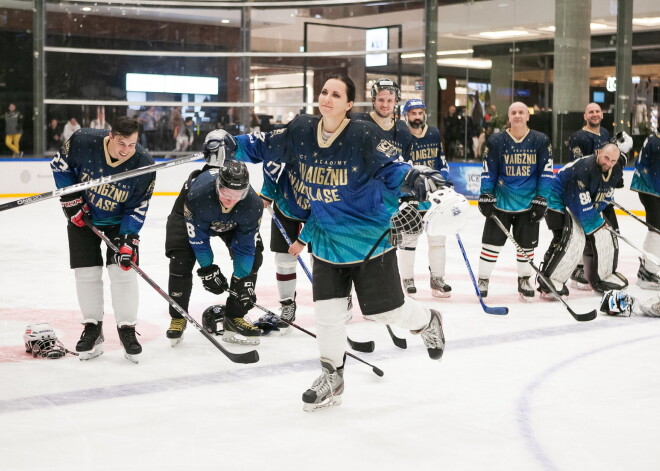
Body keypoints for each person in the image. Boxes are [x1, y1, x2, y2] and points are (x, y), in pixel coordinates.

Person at [209, 73, 446, 411]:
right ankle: (332, 375)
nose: (327, 98)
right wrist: (230, 143)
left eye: (336, 94)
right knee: (328, 315)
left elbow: (392, 168)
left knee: (385, 311)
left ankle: (427, 321)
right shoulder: (301, 129)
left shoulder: (363, 134)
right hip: (326, 238)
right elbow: (263, 144)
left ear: (349, 104)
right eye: (324, 92)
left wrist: (415, 180)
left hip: (368, 239)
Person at [50, 116, 155, 362]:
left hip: (119, 223)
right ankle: (93, 329)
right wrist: (70, 202)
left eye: (131, 144)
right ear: (110, 136)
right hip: (82, 216)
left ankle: (127, 329)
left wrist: (129, 239)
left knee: (123, 270)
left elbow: (138, 207)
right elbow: (60, 166)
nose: (126, 150)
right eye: (121, 143)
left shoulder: (144, 165)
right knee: (86, 272)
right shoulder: (83, 141)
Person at [165, 160, 265, 346]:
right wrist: (208, 269)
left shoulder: (252, 205)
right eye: (226, 192)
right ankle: (178, 316)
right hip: (191, 215)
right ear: (218, 185)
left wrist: (243, 281)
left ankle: (235, 316)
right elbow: (198, 240)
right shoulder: (198, 196)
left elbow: (246, 247)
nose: (230, 199)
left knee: (255, 257)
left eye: (238, 194)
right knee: (180, 258)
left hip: (232, 221)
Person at [477, 101, 554, 301]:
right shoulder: (496, 140)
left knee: (526, 247)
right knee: (490, 245)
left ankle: (524, 279)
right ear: (508, 117)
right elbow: (489, 170)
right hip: (501, 203)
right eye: (514, 113)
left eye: (522, 112)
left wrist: (541, 198)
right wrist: (486, 194)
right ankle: (483, 279)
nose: (518, 116)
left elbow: (545, 172)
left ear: (528, 116)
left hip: (529, 204)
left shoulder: (540, 140)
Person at [540, 143, 628, 295]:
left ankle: (601, 276)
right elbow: (581, 209)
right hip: (556, 197)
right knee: (566, 237)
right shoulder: (583, 169)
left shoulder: (616, 169)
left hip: (576, 198)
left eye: (613, 161)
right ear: (599, 152)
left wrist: (599, 221)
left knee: (602, 235)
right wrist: (597, 223)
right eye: (606, 158)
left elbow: (604, 196)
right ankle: (548, 279)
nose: (608, 163)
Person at [398, 98, 452, 298]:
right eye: (413, 113)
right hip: (410, 197)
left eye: (420, 113)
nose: (417, 117)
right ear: (406, 116)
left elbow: (442, 162)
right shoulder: (400, 135)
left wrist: (445, 181)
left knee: (438, 239)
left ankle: (437, 278)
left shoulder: (434, 133)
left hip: (433, 198)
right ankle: (407, 279)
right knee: (409, 240)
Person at [565, 103, 614, 288]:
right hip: (582, 191)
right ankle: (576, 268)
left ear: (602, 114)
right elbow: (578, 165)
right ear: (585, 116)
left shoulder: (606, 134)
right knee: (582, 232)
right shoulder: (578, 137)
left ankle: (594, 267)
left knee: (602, 231)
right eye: (591, 112)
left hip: (599, 192)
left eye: (597, 111)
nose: (594, 114)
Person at [352, 78, 412, 159]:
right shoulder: (358, 122)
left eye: (389, 101)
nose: (385, 105)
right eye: (381, 100)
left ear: (396, 102)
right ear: (373, 100)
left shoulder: (403, 129)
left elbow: (406, 162)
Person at [630, 135, 660, 289]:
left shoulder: (653, 140)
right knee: (656, 229)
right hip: (650, 191)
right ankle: (648, 272)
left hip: (652, 190)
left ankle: (646, 270)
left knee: (655, 230)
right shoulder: (655, 142)